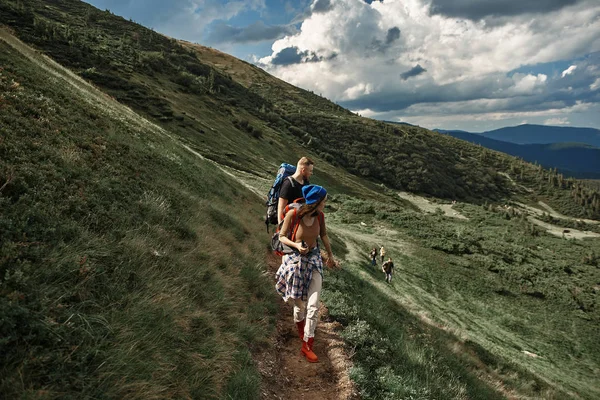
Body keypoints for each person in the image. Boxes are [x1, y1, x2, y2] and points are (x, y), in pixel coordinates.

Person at [275, 184, 336, 363]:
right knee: (299, 307)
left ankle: (307, 344)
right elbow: (282, 236)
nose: (325, 203)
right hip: (295, 262)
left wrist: (330, 256)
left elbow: (323, 236)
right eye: (324, 200)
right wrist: (296, 245)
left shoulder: (320, 216)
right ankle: (302, 332)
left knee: (313, 305)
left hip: (314, 260)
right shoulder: (293, 214)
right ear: (316, 202)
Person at [277, 157, 314, 224]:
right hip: (288, 222)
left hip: (299, 222)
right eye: (310, 171)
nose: (311, 173)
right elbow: (281, 207)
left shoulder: (306, 183)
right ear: (303, 170)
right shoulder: (288, 183)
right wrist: (281, 226)